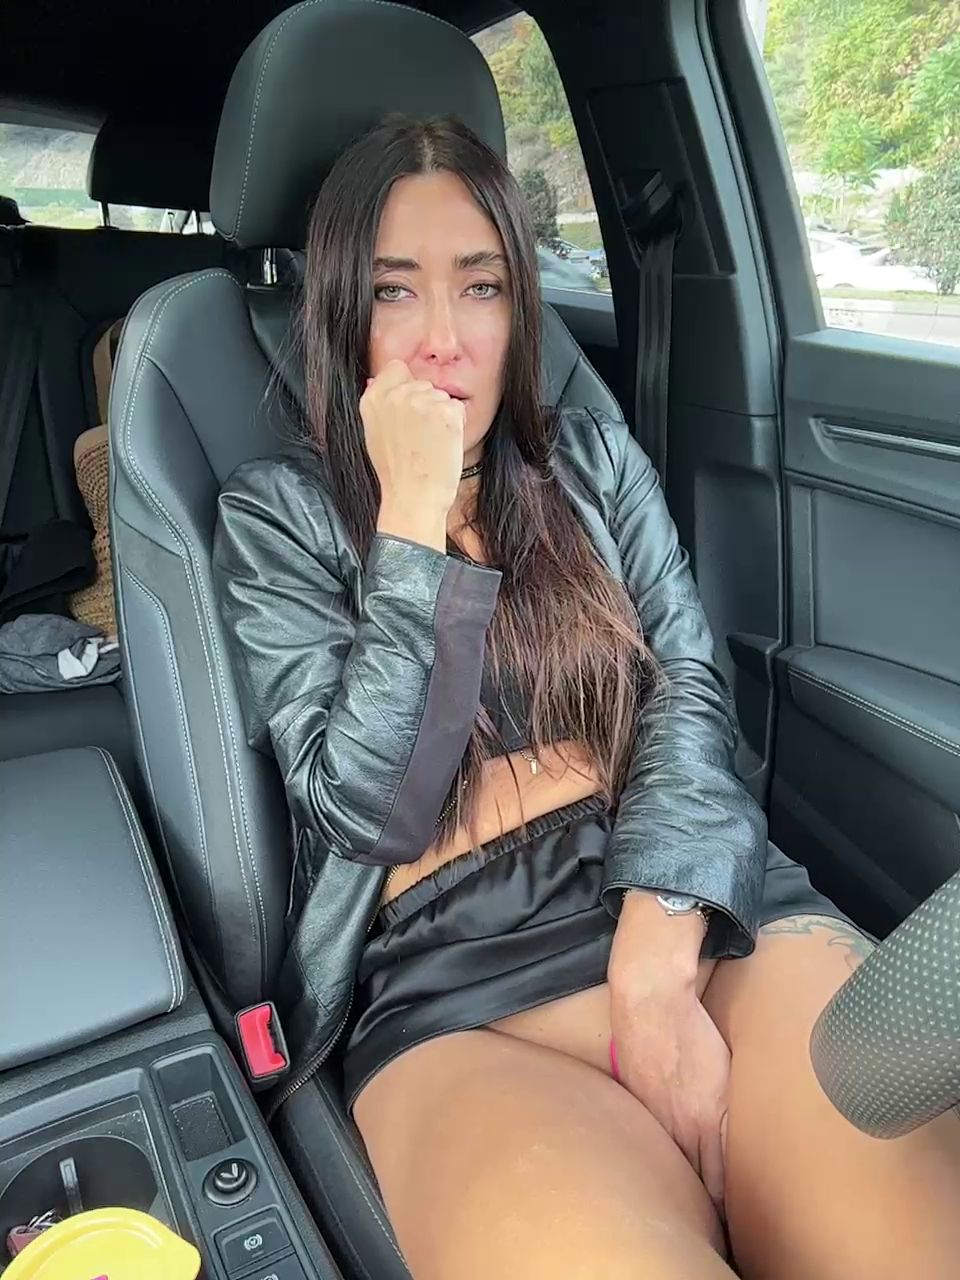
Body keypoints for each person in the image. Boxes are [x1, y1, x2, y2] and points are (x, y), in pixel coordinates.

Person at [213, 116, 960, 1280]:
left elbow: (686, 691)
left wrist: (657, 952)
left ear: (521, 303)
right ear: (340, 309)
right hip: (457, 980)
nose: (445, 339)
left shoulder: (593, 461)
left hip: (685, 894)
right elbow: (373, 811)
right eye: (396, 291)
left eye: (482, 286)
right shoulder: (276, 516)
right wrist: (411, 525)